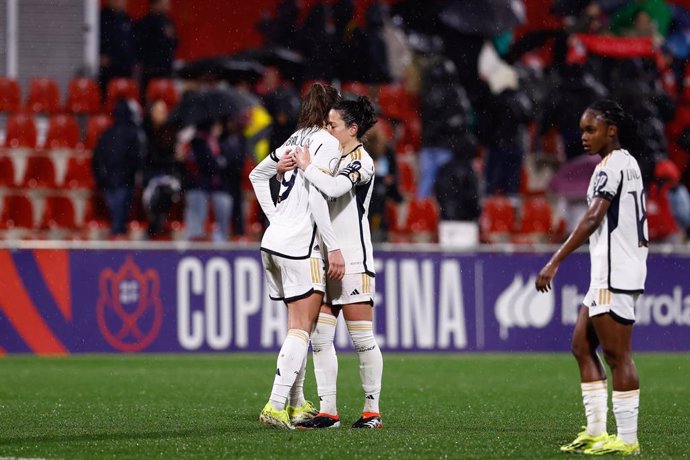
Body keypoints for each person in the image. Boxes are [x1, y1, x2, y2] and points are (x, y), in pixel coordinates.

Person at [535, 100, 648, 456]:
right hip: (613, 271)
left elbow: (592, 218)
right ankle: (597, 432)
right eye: (582, 129)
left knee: (618, 356)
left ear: (610, 131)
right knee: (581, 346)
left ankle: (627, 440)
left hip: (615, 273)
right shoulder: (627, 163)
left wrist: (554, 261)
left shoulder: (609, 167)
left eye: (591, 129)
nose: (584, 137)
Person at [249, 82, 345, 429]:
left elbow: (257, 175)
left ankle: (298, 402)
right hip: (300, 245)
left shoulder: (293, 140)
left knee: (297, 327)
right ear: (331, 112)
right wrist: (332, 245)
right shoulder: (329, 143)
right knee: (302, 328)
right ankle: (275, 406)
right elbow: (319, 196)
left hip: (272, 241)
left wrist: (275, 216)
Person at [287, 96, 384, 429]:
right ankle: (328, 411)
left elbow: (333, 187)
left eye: (333, 125)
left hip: (353, 259)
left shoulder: (362, 162)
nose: (327, 130)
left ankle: (372, 410)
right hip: (326, 258)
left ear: (352, 129)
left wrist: (306, 166)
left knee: (361, 340)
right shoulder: (330, 156)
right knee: (320, 339)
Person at [92, 99, 143, 238]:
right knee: (118, 222)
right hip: (123, 183)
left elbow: (96, 159)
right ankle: (116, 251)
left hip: (109, 183)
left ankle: (115, 246)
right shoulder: (132, 133)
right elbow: (136, 158)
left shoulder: (106, 133)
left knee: (117, 219)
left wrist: (101, 179)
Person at [135, 0, 178, 98]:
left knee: (167, 98)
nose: (167, 6)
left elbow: (175, 43)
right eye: (164, 3)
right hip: (150, 71)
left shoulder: (168, 22)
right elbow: (139, 47)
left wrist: (171, 37)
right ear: (154, 4)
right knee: (150, 100)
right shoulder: (144, 24)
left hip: (166, 69)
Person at [99, 0, 136, 98]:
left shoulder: (126, 19)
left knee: (125, 99)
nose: (122, 2)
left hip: (125, 69)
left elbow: (132, 44)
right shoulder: (101, 18)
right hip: (109, 70)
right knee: (108, 99)